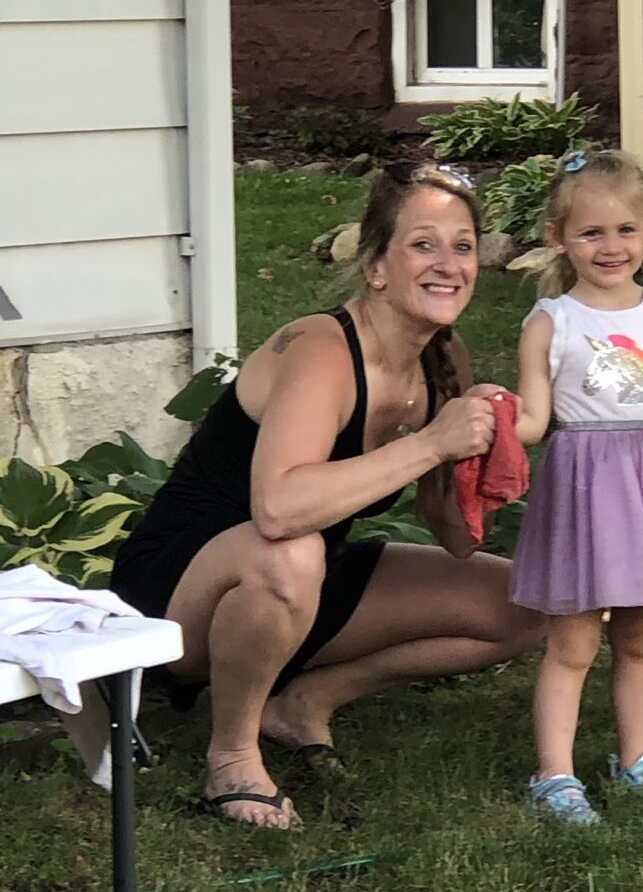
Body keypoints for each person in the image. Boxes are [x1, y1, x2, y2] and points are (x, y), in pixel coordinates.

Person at [112, 163, 542, 829]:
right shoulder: (322, 348)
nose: (448, 263)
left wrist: (484, 465)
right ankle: (231, 757)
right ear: (375, 266)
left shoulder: (442, 358)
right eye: (423, 244)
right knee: (290, 555)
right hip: (181, 588)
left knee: (529, 605)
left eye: (462, 245)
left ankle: (306, 702)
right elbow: (278, 510)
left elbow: (450, 535)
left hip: (312, 570)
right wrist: (430, 443)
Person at [510, 149, 643, 825]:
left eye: (625, 230)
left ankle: (637, 760)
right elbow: (534, 420)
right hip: (585, 488)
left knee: (640, 636)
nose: (611, 247)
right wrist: (486, 423)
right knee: (572, 640)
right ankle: (555, 776)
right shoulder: (553, 322)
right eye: (591, 232)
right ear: (558, 239)